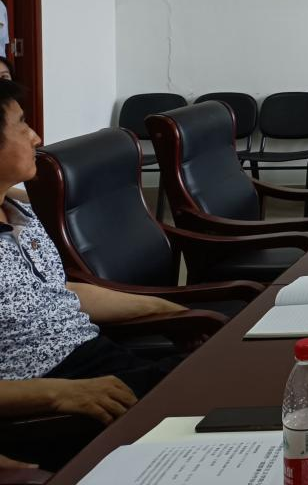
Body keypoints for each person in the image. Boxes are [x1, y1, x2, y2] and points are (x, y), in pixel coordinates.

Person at [0, 79, 186, 469]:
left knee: (217, 373)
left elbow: (60, 292)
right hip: (45, 402)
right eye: (22, 125)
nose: (36, 137)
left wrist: (172, 310)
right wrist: (60, 394)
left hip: (95, 358)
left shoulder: (19, 212)